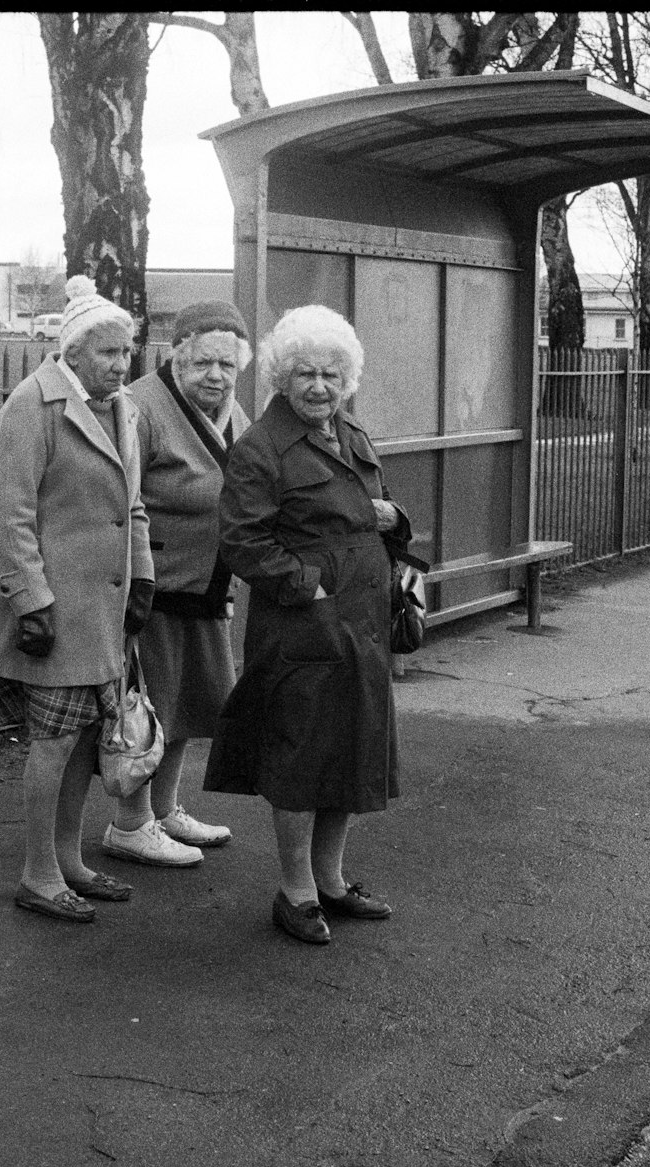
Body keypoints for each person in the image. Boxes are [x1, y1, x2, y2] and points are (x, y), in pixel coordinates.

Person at [0, 274, 203, 923]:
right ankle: (38, 872)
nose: (121, 363)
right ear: (72, 353)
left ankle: (71, 860)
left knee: (81, 740)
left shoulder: (120, 408)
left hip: (103, 613)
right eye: (108, 352)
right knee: (51, 741)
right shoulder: (33, 405)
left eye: (126, 351)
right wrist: (31, 604)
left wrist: (144, 575)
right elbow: (8, 516)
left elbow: (131, 504)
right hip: (53, 612)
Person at [205, 304, 414, 945]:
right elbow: (242, 542)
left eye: (330, 374)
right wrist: (309, 585)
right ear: (279, 378)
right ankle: (295, 891)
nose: (318, 386)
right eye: (304, 374)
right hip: (304, 628)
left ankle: (332, 880)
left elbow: (367, 514)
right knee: (299, 756)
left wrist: (395, 522)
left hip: (364, 624)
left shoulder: (350, 433)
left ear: (346, 377)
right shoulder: (261, 449)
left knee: (350, 749)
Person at [115, 300, 253, 855]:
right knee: (150, 707)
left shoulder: (232, 413)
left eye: (226, 364)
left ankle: (165, 811)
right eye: (202, 364)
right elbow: (119, 499)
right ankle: (129, 824)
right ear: (176, 359)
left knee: (189, 705)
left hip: (208, 585)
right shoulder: (141, 407)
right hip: (156, 587)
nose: (215, 376)